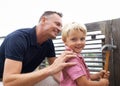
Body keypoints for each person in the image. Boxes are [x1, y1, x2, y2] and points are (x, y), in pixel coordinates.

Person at [0, 11, 77, 86]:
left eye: (61, 26)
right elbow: (8, 82)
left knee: (56, 82)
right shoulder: (18, 39)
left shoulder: (48, 43)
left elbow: (56, 71)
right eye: (57, 24)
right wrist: (50, 69)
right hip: (3, 80)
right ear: (43, 20)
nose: (60, 29)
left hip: (24, 78)